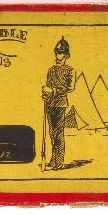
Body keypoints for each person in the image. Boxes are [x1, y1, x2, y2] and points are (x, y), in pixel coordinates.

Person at [42, 36, 75, 169]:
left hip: (60, 104)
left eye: (60, 53)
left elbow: (70, 88)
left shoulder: (70, 70)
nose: (58, 55)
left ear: (66, 55)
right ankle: (53, 159)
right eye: (56, 52)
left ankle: (59, 161)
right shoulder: (51, 70)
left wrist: (53, 90)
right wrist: (45, 93)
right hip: (50, 104)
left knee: (58, 134)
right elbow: (48, 86)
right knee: (52, 133)